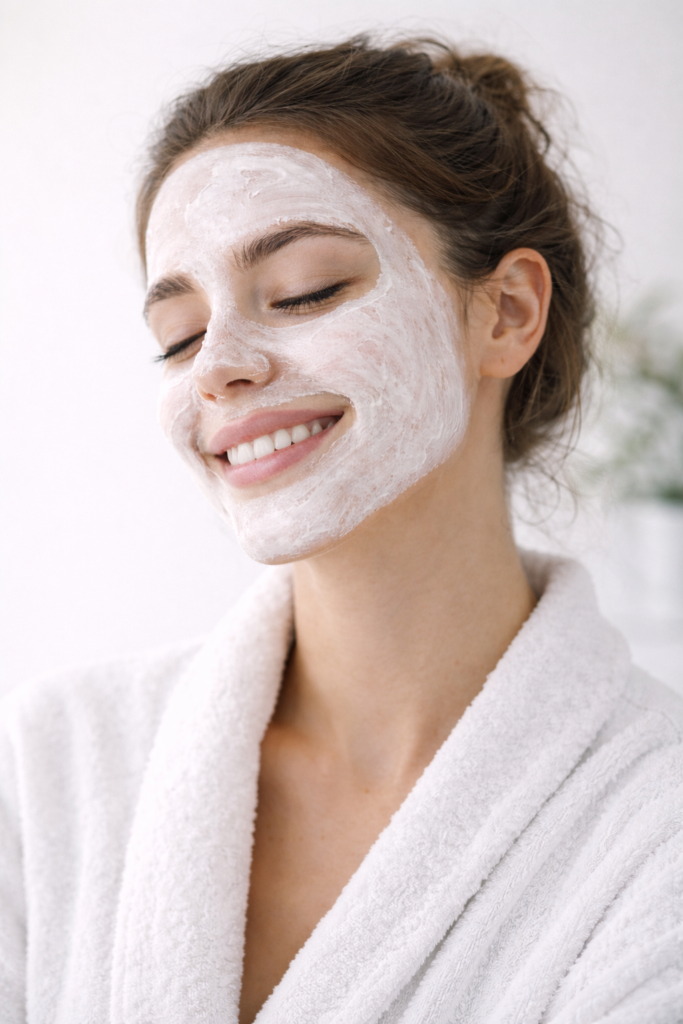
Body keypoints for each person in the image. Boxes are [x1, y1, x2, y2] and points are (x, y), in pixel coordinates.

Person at [1, 35, 681, 1024]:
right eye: (177, 337)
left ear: (505, 311)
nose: (216, 366)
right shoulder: (60, 763)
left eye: (304, 289)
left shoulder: (652, 829)